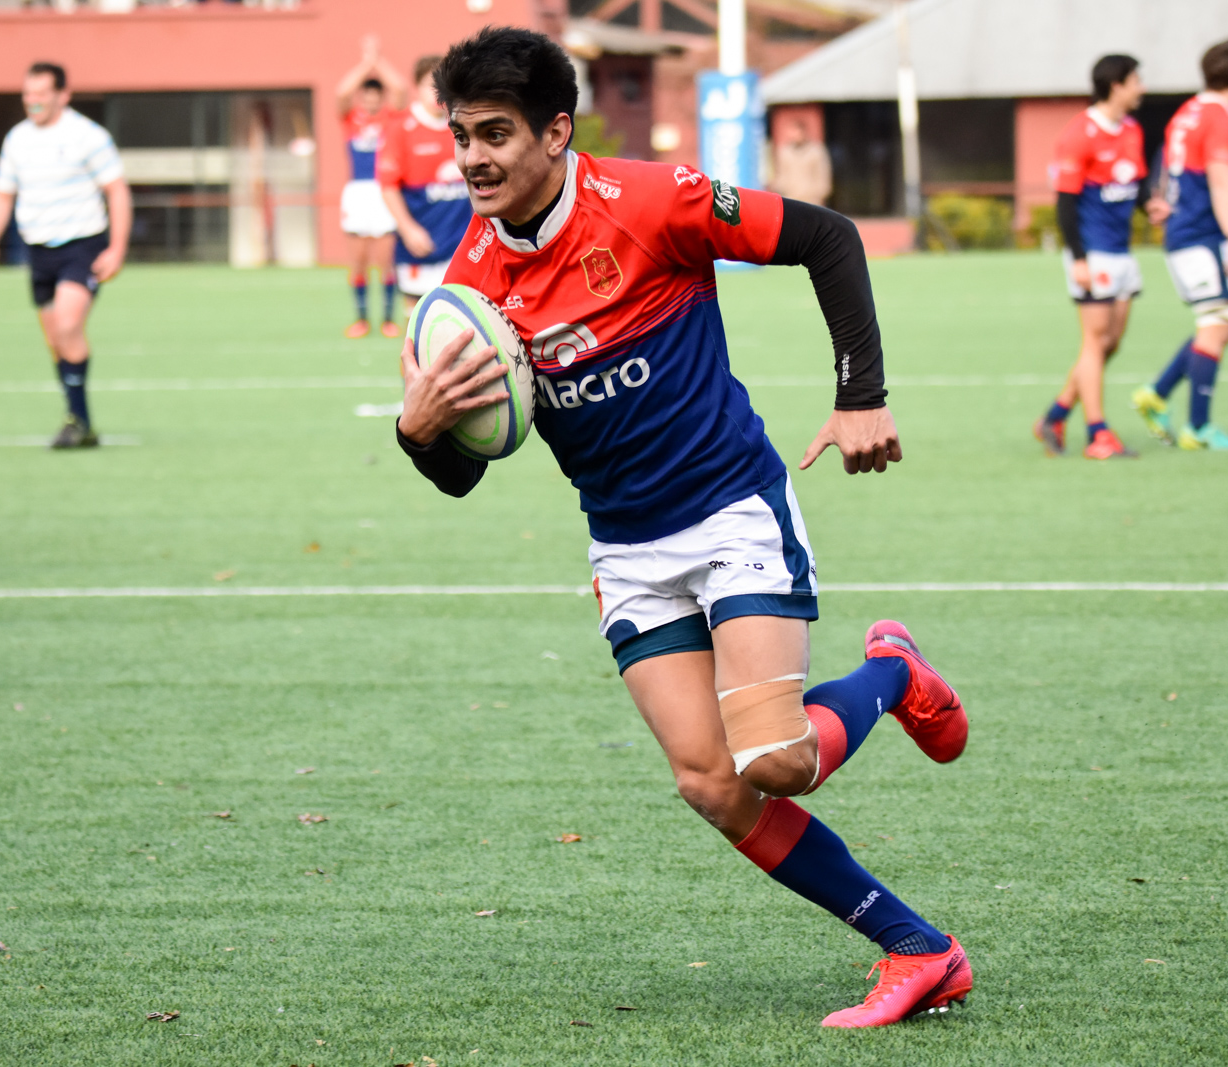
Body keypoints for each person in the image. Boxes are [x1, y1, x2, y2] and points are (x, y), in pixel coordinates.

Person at [398, 27, 973, 1029]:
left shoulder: (652, 201)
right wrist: (420, 431)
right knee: (710, 782)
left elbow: (827, 237)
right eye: (462, 136)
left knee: (776, 762)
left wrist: (860, 397)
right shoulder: (471, 287)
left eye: (495, 133)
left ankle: (893, 671)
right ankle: (920, 947)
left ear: (555, 132)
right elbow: (459, 478)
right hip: (626, 549)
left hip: (730, 511)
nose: (474, 157)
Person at [0, 62, 131, 449]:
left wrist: (117, 248)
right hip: (38, 251)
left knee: (66, 325)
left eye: (42, 93)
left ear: (63, 95)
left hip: (82, 246)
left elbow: (117, 191)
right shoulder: (17, 139)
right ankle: (80, 420)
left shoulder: (87, 136)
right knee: (56, 342)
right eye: (28, 94)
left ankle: (76, 420)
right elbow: (2, 194)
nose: (34, 101)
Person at [1033, 54, 1168, 460]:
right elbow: (1066, 203)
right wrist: (1078, 258)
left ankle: (1055, 415)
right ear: (1116, 84)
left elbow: (1136, 181)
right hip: (1093, 254)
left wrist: (1151, 206)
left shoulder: (1130, 129)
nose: (1141, 88)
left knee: (1110, 343)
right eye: (1135, 80)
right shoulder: (1079, 134)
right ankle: (1098, 434)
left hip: (1122, 253)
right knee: (1094, 341)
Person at [1132, 38, 1228, 451]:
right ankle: (1197, 427)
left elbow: (1166, 158)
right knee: (1218, 323)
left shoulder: (1188, 112)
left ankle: (1158, 392)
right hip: (1201, 233)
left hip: (1186, 231)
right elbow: (1220, 180)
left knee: (1222, 322)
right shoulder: (1220, 119)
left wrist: (1158, 197)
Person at [376, 56, 473, 318]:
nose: (436, 93)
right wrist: (408, 229)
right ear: (416, 87)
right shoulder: (401, 128)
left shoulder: (464, 125)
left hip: (464, 243)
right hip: (422, 244)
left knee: (468, 324)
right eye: (430, 85)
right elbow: (387, 185)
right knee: (418, 329)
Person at [336, 37, 407, 339]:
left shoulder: (392, 119)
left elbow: (402, 89)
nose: (370, 101)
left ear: (381, 98)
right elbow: (342, 92)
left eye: (375, 96)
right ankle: (362, 319)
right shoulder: (351, 119)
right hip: (358, 191)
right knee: (358, 260)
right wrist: (365, 64)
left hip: (384, 191)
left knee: (386, 260)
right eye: (365, 96)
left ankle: (389, 319)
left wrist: (379, 60)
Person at [770, 116, 832, 206]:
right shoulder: (784, 152)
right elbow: (780, 174)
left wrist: (819, 194)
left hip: (811, 200)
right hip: (790, 198)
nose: (792, 135)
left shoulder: (816, 151)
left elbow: (823, 175)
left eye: (795, 131)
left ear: (803, 132)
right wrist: (780, 189)